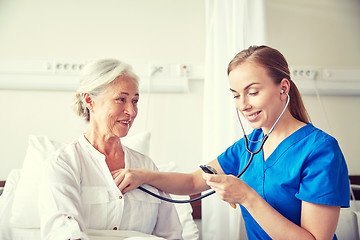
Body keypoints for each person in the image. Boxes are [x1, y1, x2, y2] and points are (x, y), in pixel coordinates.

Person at [112, 45, 350, 239]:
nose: (243, 104)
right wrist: (143, 175)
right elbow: (194, 181)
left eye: (253, 92)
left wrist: (247, 197)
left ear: (283, 88)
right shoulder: (250, 145)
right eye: (236, 95)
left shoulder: (320, 150)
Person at [38, 59, 183, 240]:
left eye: (135, 101)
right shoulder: (64, 164)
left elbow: (171, 234)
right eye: (121, 99)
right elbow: (63, 232)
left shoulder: (146, 167)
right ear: (90, 101)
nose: (131, 111)